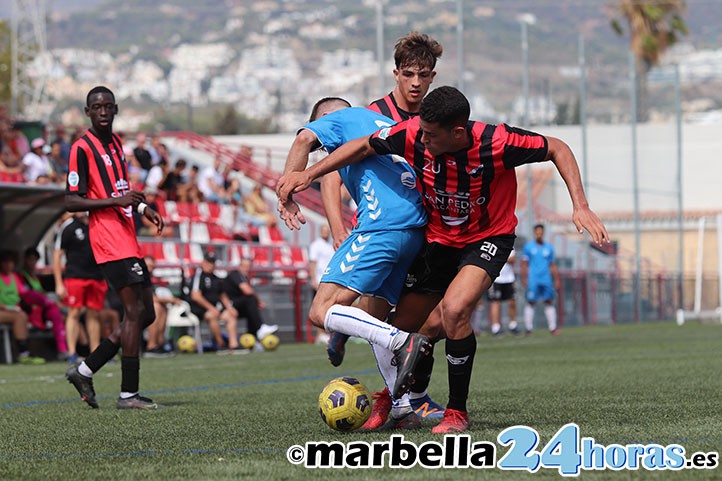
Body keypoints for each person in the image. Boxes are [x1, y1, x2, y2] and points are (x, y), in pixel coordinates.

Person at [276, 85, 609, 433]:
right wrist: (309, 175)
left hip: (486, 238)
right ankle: (396, 402)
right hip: (437, 239)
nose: (422, 140)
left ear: (458, 132)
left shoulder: (498, 142)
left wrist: (580, 206)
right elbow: (362, 145)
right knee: (408, 324)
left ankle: (456, 411)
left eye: (431, 135)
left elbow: (557, 147)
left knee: (453, 312)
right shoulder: (413, 133)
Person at [277, 97, 433, 430]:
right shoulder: (375, 123)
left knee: (321, 311)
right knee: (373, 315)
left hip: (382, 226)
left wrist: (286, 190)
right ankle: (403, 407)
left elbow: (302, 139)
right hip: (413, 230)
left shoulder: (339, 119)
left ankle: (403, 342)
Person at [323, 31, 445, 423]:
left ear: (432, 77)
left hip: (426, 232)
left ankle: (402, 395)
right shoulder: (372, 114)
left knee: (437, 320)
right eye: (408, 73)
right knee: (382, 317)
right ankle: (406, 402)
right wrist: (338, 227)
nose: (414, 82)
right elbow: (331, 175)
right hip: (382, 230)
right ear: (395, 73)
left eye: (422, 75)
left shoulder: (436, 117)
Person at [64, 85, 165, 410]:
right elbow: (71, 200)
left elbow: (121, 190)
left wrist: (140, 208)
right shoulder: (81, 148)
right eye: (97, 107)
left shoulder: (118, 142)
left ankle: (84, 369)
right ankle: (128, 394)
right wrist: (116, 202)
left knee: (146, 313)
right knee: (134, 313)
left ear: (116, 109)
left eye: (108, 106)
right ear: (88, 112)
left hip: (127, 234)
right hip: (107, 238)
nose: (103, 111)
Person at [53, 212, 109, 364]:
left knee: (94, 315)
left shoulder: (97, 222)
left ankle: (95, 353)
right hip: (75, 276)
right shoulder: (68, 226)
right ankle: (72, 353)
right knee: (74, 312)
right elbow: (57, 255)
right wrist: (59, 283)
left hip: (97, 277)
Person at [19, 247, 69, 360]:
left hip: (42, 308)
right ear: (25, 260)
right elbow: (27, 296)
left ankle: (63, 350)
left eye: (34, 260)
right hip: (30, 309)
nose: (32, 263)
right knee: (52, 306)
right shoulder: (21, 276)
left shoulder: (36, 277)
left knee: (56, 314)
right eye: (30, 259)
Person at [189, 253, 243, 353]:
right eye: (208, 262)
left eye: (212, 263)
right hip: (200, 310)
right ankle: (220, 344)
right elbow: (196, 296)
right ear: (203, 263)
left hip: (216, 309)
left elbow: (223, 296)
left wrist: (230, 307)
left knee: (231, 315)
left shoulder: (216, 278)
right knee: (213, 314)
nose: (210, 265)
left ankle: (233, 344)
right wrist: (211, 308)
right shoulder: (198, 277)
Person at [0, 249, 45, 364]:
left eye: (11, 262)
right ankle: (23, 352)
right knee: (20, 317)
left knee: (23, 314)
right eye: (6, 262)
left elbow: (24, 294)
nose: (9, 265)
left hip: (13, 310)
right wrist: (7, 307)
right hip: (4, 310)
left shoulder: (13, 277)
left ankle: (25, 351)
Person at [223, 257, 278, 348]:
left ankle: (252, 337)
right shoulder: (236, 274)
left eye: (248, 266)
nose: (247, 269)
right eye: (245, 266)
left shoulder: (245, 277)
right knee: (250, 299)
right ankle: (260, 328)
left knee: (251, 309)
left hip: (237, 305)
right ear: (240, 266)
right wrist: (259, 301)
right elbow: (247, 291)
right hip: (228, 306)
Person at [521, 224, 561, 335]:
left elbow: (552, 265)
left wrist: (556, 279)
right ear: (534, 233)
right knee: (531, 302)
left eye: (541, 232)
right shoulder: (528, 247)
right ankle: (528, 328)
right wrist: (524, 278)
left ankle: (552, 328)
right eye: (537, 232)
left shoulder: (549, 247)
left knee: (548, 301)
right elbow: (524, 264)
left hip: (546, 279)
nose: (539, 234)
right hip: (533, 279)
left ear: (543, 233)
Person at [307, 225, 335, 344]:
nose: (326, 233)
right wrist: (313, 279)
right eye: (324, 231)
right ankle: (320, 334)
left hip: (330, 280)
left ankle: (328, 333)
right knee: (318, 308)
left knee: (329, 307)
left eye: (327, 231)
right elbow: (312, 263)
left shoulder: (330, 246)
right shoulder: (315, 245)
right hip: (320, 280)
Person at [143, 255, 175, 357]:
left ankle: (159, 343)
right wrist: (170, 299)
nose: (150, 268)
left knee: (162, 307)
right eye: (148, 265)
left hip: (144, 306)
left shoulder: (150, 278)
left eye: (152, 266)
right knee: (156, 307)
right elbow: (151, 299)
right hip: (134, 307)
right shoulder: (140, 277)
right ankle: (150, 346)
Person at [488, 249, 519, 336]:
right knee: (495, 302)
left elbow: (512, 259)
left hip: (509, 278)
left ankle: (513, 325)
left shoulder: (509, 245)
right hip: (497, 278)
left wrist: (500, 257)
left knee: (512, 301)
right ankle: (495, 327)